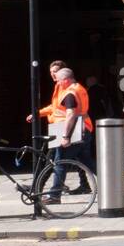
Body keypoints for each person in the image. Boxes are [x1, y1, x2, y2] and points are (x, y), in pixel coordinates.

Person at [28, 60, 88, 192]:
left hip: (66, 127)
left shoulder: (67, 88)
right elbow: (55, 107)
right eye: (51, 72)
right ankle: (84, 185)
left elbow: (70, 113)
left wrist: (65, 135)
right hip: (63, 126)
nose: (53, 75)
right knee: (80, 160)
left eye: (55, 72)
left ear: (63, 74)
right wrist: (38, 113)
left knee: (55, 159)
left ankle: (47, 190)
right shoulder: (60, 87)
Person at [43, 67, 94, 203]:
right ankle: (113, 185)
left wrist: (66, 136)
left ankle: (54, 195)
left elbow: (70, 114)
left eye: (59, 80)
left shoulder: (70, 93)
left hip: (74, 130)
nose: (58, 83)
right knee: (88, 163)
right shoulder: (80, 88)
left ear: (66, 80)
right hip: (85, 128)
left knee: (60, 163)